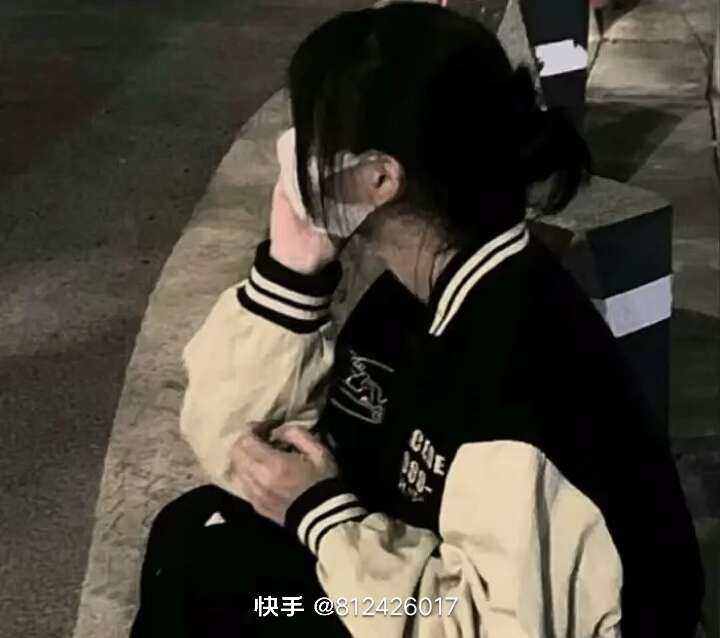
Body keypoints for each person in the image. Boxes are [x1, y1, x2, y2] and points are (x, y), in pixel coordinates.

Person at [130, 4, 704, 637]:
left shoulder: (517, 363)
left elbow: (484, 625)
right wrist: (290, 277)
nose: (293, 151)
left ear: (379, 178)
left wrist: (323, 515)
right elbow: (241, 451)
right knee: (199, 539)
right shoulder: (420, 286)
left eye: (311, 131)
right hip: (411, 580)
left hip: (467, 618)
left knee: (230, 592)